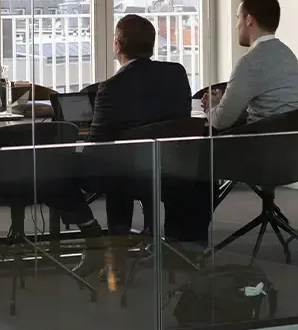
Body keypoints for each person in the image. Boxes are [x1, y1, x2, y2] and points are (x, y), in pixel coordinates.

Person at [75, 15, 212, 277]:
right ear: (151, 45)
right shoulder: (176, 73)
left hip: (130, 176)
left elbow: (97, 148)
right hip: (173, 170)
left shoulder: (111, 88)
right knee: (123, 162)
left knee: (102, 167)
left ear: (117, 45)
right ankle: (172, 248)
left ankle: (104, 244)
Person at [205, 0, 298, 131]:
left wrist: (212, 105)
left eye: (238, 18)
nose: (236, 27)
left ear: (248, 20)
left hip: (261, 148)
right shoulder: (289, 55)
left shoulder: (249, 63)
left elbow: (220, 121)